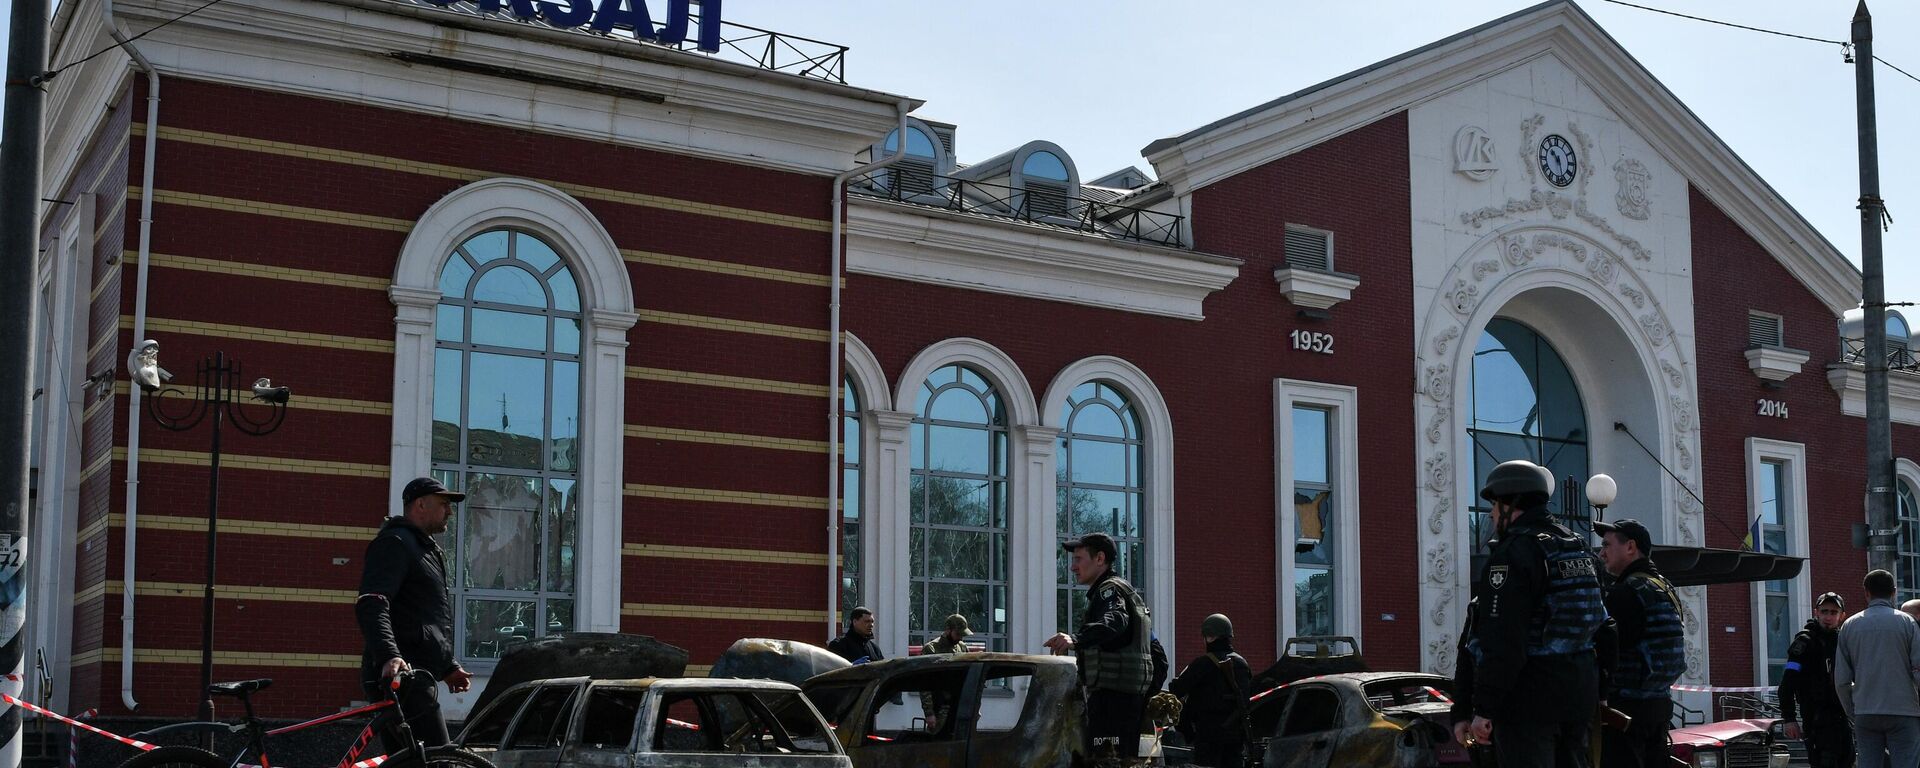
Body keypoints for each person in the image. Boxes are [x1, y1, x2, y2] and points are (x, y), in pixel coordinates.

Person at [1466, 460, 1608, 768]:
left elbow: (1503, 641)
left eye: (1494, 505)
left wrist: (1485, 707)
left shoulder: (1515, 552)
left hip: (1529, 701)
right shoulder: (1578, 547)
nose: (1491, 514)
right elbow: (1604, 627)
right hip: (1578, 697)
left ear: (1511, 504)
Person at [355, 477, 474, 753]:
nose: (450, 511)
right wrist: (389, 655)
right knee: (437, 759)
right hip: (401, 677)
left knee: (409, 762)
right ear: (420, 505)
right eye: (444, 504)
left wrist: (447, 667)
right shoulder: (396, 542)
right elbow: (372, 602)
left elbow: (421, 620)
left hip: (414, 673)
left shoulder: (424, 548)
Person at [1045, 532, 1155, 762]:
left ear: (1100, 559)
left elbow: (1115, 621)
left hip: (1112, 703)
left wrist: (1076, 639)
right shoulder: (1125, 592)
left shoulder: (1109, 591)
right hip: (1125, 701)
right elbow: (1158, 655)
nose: (1073, 567)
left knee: (1105, 760)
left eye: (1079, 559)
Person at [1593, 519, 1686, 768]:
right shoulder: (1664, 587)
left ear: (1630, 547)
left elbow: (1604, 648)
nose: (1601, 553)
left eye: (1607, 545)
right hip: (1660, 705)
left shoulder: (1626, 592)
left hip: (1625, 710)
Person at [1835, 569, 1920, 768]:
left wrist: (1852, 710)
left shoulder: (1849, 626)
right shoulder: (1908, 623)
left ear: (1866, 592)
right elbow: (1918, 669)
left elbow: (1841, 679)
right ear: (1894, 592)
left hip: (1865, 710)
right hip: (1904, 710)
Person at [1780, 592, 1854, 768]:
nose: (1828, 617)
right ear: (1816, 612)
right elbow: (1788, 682)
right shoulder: (1805, 642)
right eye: (1824, 611)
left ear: (1842, 616)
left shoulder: (1842, 641)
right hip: (1817, 717)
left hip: (1842, 716)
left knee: (1848, 761)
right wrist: (1789, 718)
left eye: (1833, 612)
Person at [1168, 613, 1252, 768]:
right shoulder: (1242, 664)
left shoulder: (1202, 664)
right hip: (1235, 735)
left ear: (1210, 637)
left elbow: (1176, 690)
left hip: (1208, 734)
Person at [919, 614, 972, 732]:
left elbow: (970, 678)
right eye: (958, 634)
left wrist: (975, 707)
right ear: (948, 630)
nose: (960, 638)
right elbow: (924, 683)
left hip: (960, 706)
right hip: (940, 708)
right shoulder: (932, 649)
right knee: (938, 745)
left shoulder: (962, 648)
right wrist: (929, 713)